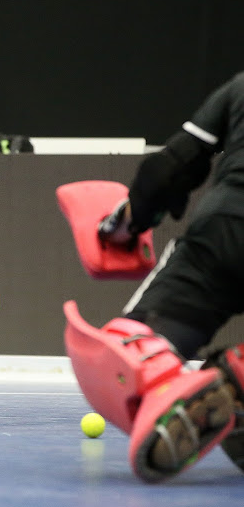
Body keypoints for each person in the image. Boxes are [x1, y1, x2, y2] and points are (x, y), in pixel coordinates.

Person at [66, 71, 244, 482]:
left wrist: (125, 225)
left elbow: (168, 172)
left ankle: (169, 365)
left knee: (136, 350)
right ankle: (237, 380)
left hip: (227, 229)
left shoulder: (237, 88)